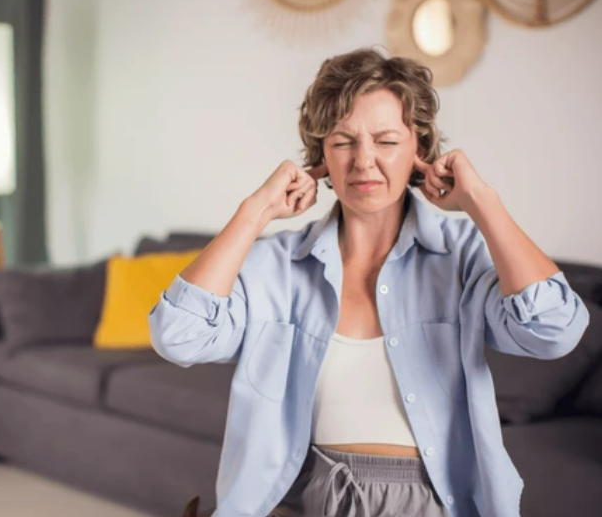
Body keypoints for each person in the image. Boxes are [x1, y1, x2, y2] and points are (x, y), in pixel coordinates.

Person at [148, 47, 590, 517]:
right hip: (313, 499)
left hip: (434, 504)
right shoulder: (277, 265)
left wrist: (482, 201)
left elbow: (554, 332)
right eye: (343, 142)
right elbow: (178, 336)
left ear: (419, 149)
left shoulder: (463, 255)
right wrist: (254, 211)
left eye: (386, 141)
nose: (363, 161)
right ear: (321, 153)